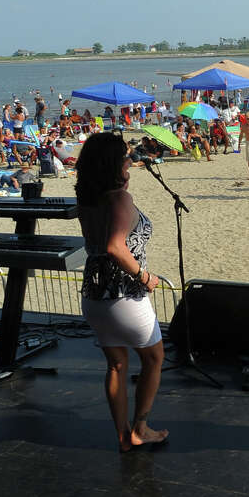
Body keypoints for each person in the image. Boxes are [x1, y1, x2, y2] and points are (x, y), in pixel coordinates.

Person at [75, 133, 168, 452]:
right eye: (126, 156)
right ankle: (141, 428)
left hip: (94, 293)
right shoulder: (119, 199)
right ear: (115, 163)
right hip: (124, 294)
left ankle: (122, 436)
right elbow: (116, 246)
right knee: (154, 358)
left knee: (116, 364)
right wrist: (145, 276)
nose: (131, 159)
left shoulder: (87, 196)